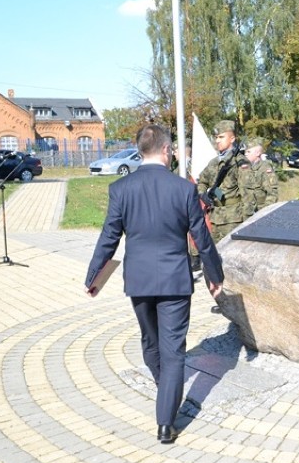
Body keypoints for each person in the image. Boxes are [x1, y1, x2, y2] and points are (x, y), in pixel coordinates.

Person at [85, 124, 223, 444]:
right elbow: (201, 238)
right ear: (165, 151)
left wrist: (93, 277)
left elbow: (109, 237)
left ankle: (165, 410)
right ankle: (167, 411)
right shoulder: (183, 189)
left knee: (151, 343)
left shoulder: (121, 188)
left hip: (139, 280)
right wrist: (215, 277)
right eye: (172, 149)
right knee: (172, 350)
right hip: (175, 280)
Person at [196, 120, 253, 242]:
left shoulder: (240, 162)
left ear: (232, 139)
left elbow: (247, 194)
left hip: (233, 219)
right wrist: (202, 194)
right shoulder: (213, 163)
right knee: (216, 256)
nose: (217, 141)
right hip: (215, 218)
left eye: (221, 137)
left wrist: (248, 222)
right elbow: (201, 181)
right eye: (216, 137)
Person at [242, 136, 279, 214]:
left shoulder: (265, 169)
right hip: (246, 212)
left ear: (258, 153)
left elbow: (272, 194)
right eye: (245, 152)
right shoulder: (245, 168)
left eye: (248, 152)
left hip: (259, 213)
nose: (245, 154)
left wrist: (263, 213)